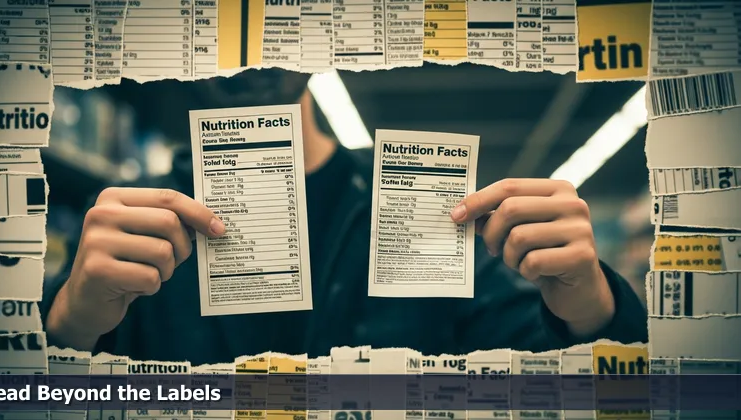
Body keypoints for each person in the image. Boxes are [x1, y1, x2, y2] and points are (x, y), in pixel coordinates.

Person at [41, 69, 647, 365]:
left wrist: (593, 308)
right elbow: (2, 391)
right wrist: (63, 325)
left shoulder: (421, 207)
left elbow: (559, 372)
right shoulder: (125, 228)